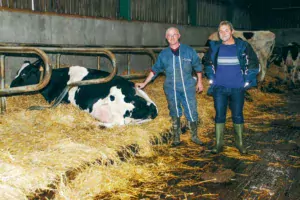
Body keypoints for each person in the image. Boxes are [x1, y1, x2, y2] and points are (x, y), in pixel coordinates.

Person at [135, 27, 204, 146]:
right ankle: (176, 137)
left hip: (187, 86)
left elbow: (198, 67)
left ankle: (194, 136)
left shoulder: (188, 51)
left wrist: (200, 82)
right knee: (174, 110)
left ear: (179, 36)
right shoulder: (164, 54)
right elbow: (155, 70)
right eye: (169, 35)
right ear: (166, 38)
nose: (172, 37)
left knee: (191, 109)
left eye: (174, 35)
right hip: (171, 87)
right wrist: (144, 83)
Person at [204, 21, 259, 154]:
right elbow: (207, 63)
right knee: (219, 115)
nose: (223, 33)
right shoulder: (215, 47)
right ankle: (218, 143)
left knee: (238, 115)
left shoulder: (242, 46)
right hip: (219, 88)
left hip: (237, 88)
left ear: (232, 31)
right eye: (221, 31)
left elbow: (253, 63)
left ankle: (239, 143)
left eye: (226, 30)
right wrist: (212, 80)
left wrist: (246, 81)